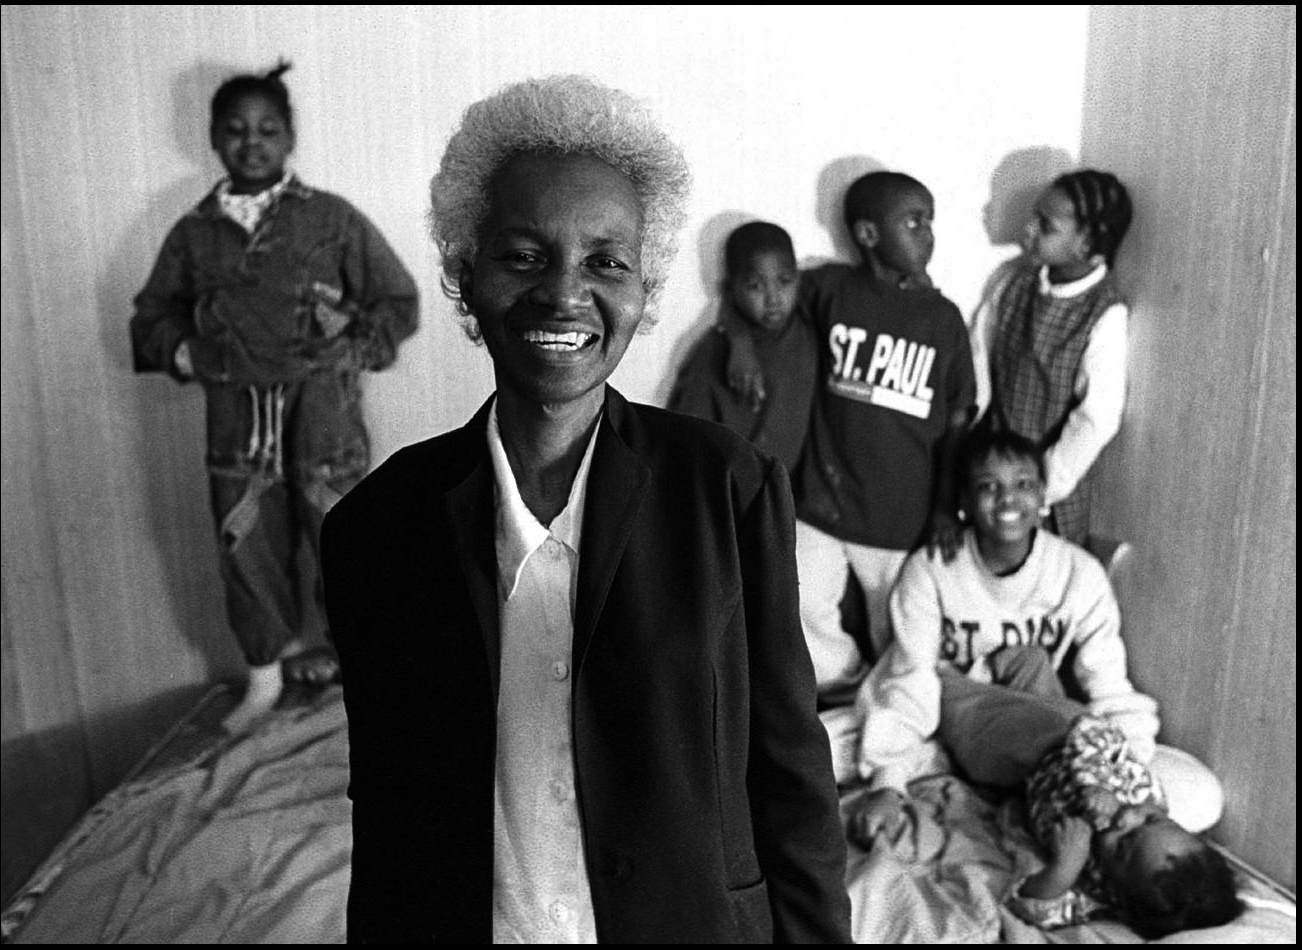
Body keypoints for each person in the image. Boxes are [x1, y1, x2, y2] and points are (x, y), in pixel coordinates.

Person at [321, 75, 851, 944]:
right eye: (523, 254)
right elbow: (385, 815)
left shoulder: (729, 488)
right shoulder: (376, 531)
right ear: (464, 271)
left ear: (644, 289)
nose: (564, 294)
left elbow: (791, 774)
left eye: (606, 260)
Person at [129, 61, 419, 732]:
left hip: (325, 418)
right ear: (212, 139)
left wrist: (351, 347)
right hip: (238, 425)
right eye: (235, 130)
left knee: (345, 543)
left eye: (267, 129)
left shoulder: (331, 219)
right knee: (246, 543)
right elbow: (150, 319)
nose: (251, 142)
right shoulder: (194, 234)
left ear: (289, 138)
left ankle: (364, 676)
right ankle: (263, 678)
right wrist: (190, 351)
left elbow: (396, 301)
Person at [724, 171, 976, 770]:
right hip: (822, 506)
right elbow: (755, 297)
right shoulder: (831, 289)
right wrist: (737, 342)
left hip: (902, 521)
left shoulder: (943, 319)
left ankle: (893, 739)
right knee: (800, 605)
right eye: (913, 222)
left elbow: (960, 423)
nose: (928, 234)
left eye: (929, 221)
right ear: (866, 234)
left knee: (908, 646)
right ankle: (844, 702)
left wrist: (946, 506)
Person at [850, 426, 1159, 827]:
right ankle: (1073, 774)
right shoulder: (931, 569)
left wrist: (1132, 773)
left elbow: (1110, 683)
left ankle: (1075, 777)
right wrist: (887, 784)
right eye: (988, 486)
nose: (1008, 498)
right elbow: (912, 675)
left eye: (1024, 484)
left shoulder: (1078, 573)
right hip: (957, 711)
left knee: (1030, 662)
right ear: (964, 500)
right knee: (1053, 724)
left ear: (1043, 496)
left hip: (1032, 713)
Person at [849, 647, 1242, 937]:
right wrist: (1096, 785)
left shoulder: (1097, 890)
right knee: (964, 720)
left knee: (1030, 673)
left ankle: (1011, 667)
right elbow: (1093, 737)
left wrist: (1062, 870)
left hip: (1033, 781)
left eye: (1124, 843)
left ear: (1119, 896)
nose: (1129, 817)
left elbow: (1034, 907)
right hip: (1050, 739)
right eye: (1153, 819)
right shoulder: (1137, 789)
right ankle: (939, 672)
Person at [969, 169, 1133, 546]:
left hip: (1047, 491)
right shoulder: (1013, 283)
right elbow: (979, 359)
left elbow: (1097, 419)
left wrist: (1041, 485)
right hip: (993, 464)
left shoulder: (1103, 314)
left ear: (1088, 243)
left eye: (1046, 225)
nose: (1028, 229)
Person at [668, 221, 815, 473]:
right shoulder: (713, 350)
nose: (773, 299)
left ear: (798, 279)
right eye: (755, 286)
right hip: (727, 490)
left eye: (784, 281)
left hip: (781, 495)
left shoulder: (808, 324)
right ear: (730, 289)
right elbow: (686, 435)